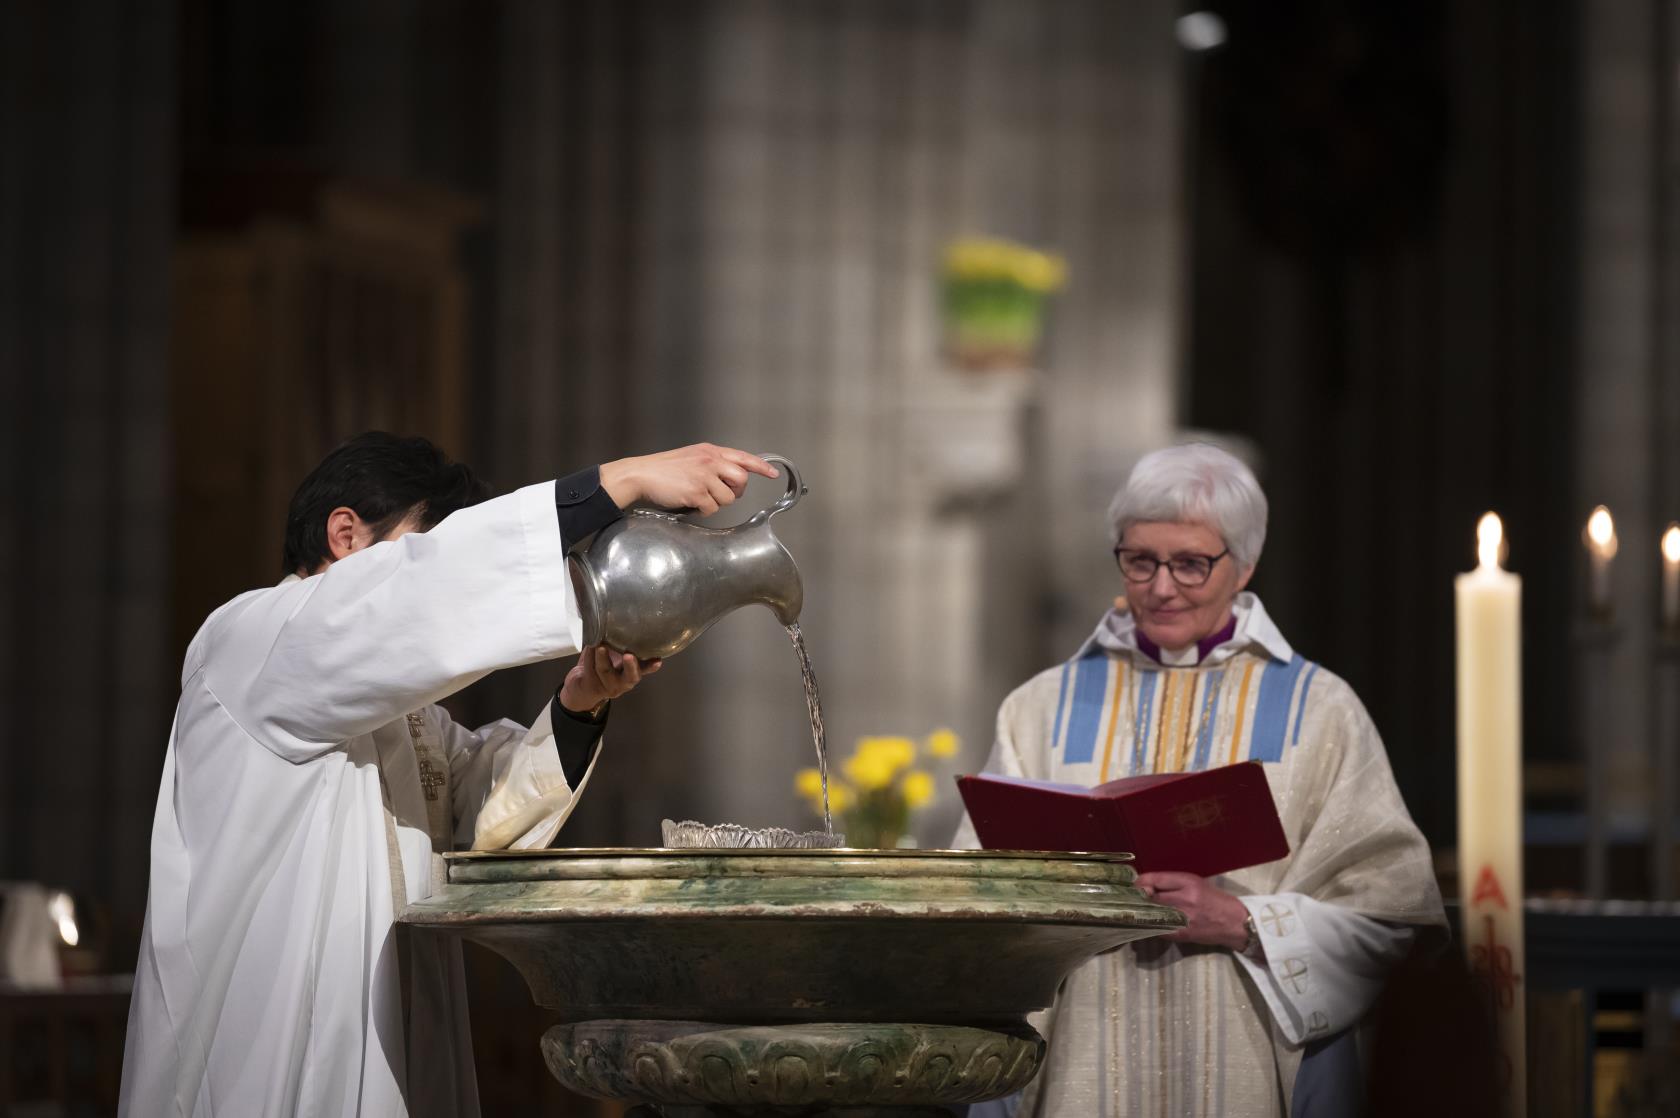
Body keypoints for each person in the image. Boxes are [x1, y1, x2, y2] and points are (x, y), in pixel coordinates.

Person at [120, 434, 779, 1118]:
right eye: (423, 549)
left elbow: (483, 820)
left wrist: (581, 702)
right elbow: (421, 595)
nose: (446, 576)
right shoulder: (246, 640)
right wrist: (626, 479)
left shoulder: (407, 719)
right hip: (262, 1053)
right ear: (344, 534)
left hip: (393, 1034)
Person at [954, 443, 1445, 1118]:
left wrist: (1242, 920)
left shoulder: (1320, 709)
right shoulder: (1038, 708)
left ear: (1244, 565)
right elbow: (970, 900)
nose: (1160, 586)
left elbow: (1392, 921)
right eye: (1140, 560)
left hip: (1243, 1065)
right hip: (1080, 1066)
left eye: (1190, 563)